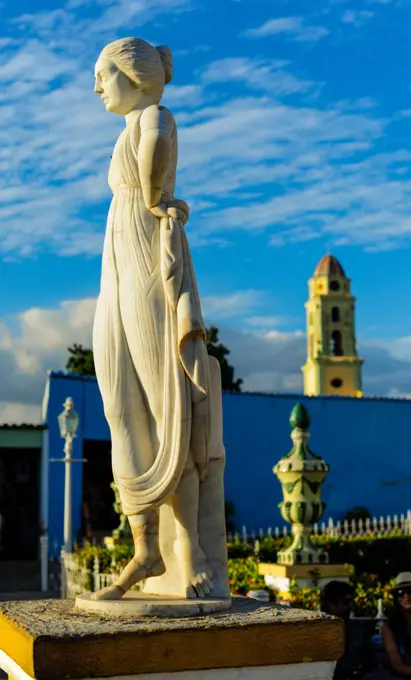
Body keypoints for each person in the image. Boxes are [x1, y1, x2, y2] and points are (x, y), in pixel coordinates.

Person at [91, 37, 226, 601]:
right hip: (115, 266)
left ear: (136, 76)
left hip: (147, 258)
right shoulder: (130, 126)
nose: (96, 87)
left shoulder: (155, 114)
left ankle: (188, 549)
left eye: (103, 75)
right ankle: (145, 548)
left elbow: (156, 143)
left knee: (168, 400)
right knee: (121, 407)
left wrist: (153, 196)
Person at [321, 580, 376, 680]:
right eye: (345, 602)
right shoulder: (317, 632)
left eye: (351, 602)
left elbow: (371, 662)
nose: (351, 607)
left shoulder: (358, 630)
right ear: (331, 605)